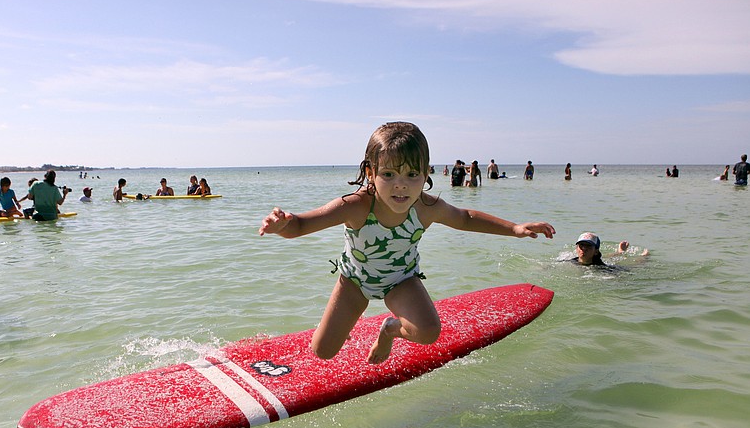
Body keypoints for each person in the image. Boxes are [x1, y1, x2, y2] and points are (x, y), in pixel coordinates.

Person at [259, 122, 555, 364]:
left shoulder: (427, 208)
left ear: (426, 173)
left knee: (428, 332)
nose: (401, 184)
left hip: (402, 279)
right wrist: (283, 224)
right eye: (389, 174)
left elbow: (466, 218)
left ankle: (388, 330)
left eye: (412, 174)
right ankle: (347, 324)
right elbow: (301, 225)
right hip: (354, 281)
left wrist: (514, 228)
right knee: (322, 352)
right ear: (371, 174)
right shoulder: (356, 206)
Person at [568, 232, 648, 267]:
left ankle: (643, 258)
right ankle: (620, 252)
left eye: (588, 246)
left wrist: (642, 259)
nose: (584, 249)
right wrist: (619, 252)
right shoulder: (571, 261)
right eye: (581, 245)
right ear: (576, 247)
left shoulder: (601, 267)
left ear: (596, 251)